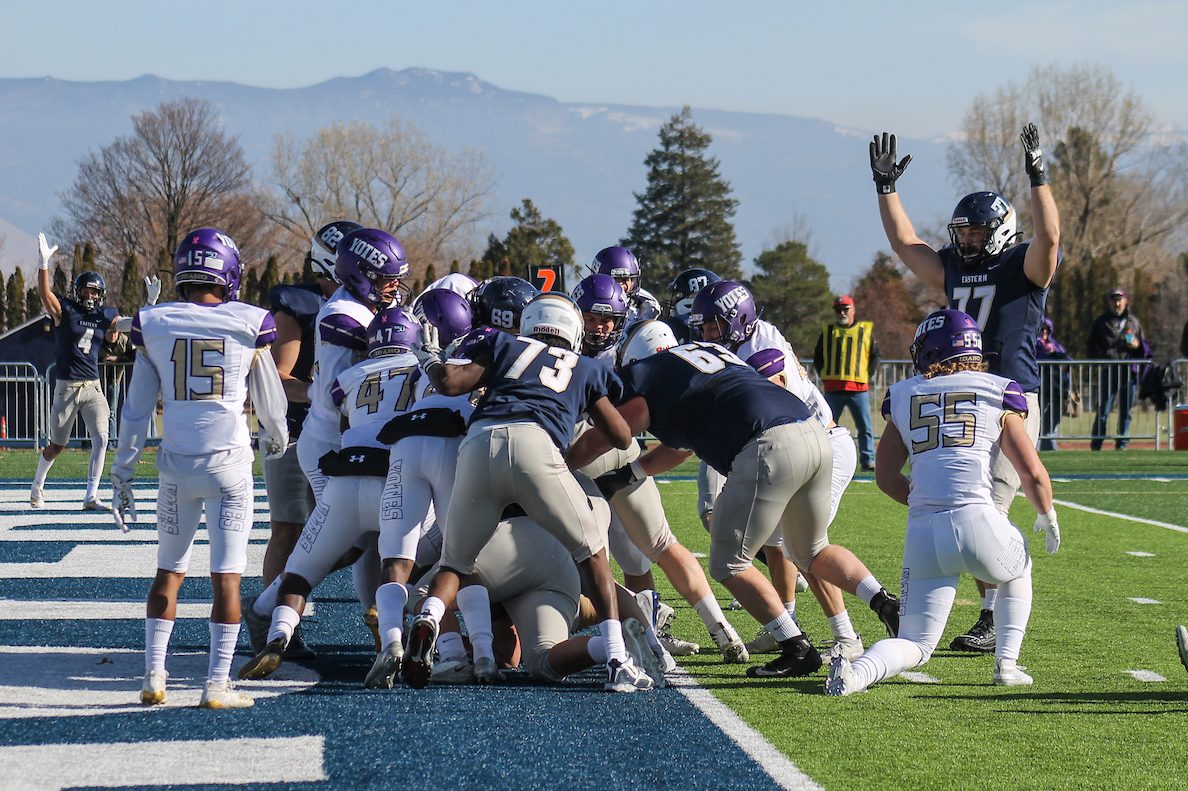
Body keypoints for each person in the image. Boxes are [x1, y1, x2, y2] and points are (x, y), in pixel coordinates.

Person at [568, 323, 901, 679]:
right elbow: (682, 449)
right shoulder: (707, 355)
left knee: (729, 562)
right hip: (814, 434)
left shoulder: (648, 374)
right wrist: (633, 472)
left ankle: (796, 648)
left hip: (768, 444)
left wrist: (560, 463)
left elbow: (615, 433)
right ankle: (883, 601)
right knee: (811, 550)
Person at [871, 123, 1060, 652]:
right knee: (962, 499)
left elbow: (1050, 239)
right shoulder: (954, 264)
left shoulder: (1022, 266)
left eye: (977, 232)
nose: (968, 240)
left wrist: (1038, 175)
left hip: (1008, 397)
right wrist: (887, 190)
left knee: (988, 505)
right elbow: (907, 245)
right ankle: (984, 606)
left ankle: (991, 614)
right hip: (958, 394)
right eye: (965, 232)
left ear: (999, 230)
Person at [403, 292, 651, 693]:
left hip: (480, 444)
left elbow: (449, 382)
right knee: (591, 553)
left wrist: (430, 356)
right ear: (572, 330)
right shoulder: (584, 366)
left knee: (454, 563)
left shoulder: (503, 344)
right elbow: (622, 436)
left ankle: (431, 616)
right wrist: (580, 405)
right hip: (538, 448)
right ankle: (616, 655)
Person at [825, 309, 1059, 696]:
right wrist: (1046, 514)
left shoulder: (902, 393)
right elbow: (1031, 471)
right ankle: (1007, 663)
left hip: (924, 534)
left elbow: (885, 478)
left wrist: (925, 502)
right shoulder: (998, 388)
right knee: (1017, 570)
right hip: (979, 520)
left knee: (916, 644)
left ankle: (856, 674)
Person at [110, 227, 289, 709]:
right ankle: (216, 684)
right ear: (227, 273)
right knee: (227, 578)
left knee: (168, 572)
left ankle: (153, 677)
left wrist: (121, 471)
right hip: (229, 466)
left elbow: (136, 408)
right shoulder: (248, 321)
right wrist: (279, 436)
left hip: (175, 468)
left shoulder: (155, 321)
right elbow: (270, 400)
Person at [239, 306, 423, 682]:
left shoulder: (350, 375)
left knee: (307, 568)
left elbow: (346, 424)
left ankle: (277, 634)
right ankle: (395, 638)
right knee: (407, 559)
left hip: (345, 474)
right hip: (393, 478)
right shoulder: (421, 370)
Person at [256, 220, 358, 662]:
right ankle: (273, 620)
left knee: (350, 536)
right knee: (290, 528)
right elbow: (278, 379)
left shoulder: (358, 303)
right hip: (296, 433)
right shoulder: (299, 304)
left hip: (345, 436)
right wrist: (326, 395)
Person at [29, 233, 151, 511]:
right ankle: (37, 485)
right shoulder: (67, 310)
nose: (90, 295)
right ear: (77, 291)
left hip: (93, 386)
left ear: (101, 295)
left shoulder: (104, 315)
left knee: (102, 438)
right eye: (86, 290)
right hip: (67, 387)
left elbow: (130, 325)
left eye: (95, 292)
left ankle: (91, 496)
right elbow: (45, 295)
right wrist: (43, 265)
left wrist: (150, 307)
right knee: (57, 445)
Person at [813, 294, 879, 471]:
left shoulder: (865, 330)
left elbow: (875, 355)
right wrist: (824, 374)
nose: (842, 313)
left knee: (865, 427)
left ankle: (868, 460)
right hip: (833, 389)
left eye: (845, 309)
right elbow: (818, 357)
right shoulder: (827, 331)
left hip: (858, 389)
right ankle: (825, 460)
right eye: (838, 310)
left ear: (853, 310)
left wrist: (868, 374)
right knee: (826, 427)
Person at [1088, 288, 1147, 451]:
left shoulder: (1133, 322)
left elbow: (1144, 347)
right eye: (1114, 300)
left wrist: (1136, 345)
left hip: (1129, 371)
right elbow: (1091, 345)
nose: (1117, 303)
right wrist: (1100, 359)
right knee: (1103, 410)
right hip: (1109, 370)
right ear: (1109, 302)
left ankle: (1122, 444)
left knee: (1125, 411)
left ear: (1125, 301)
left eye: (1120, 300)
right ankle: (1097, 443)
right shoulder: (1101, 322)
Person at [590, 246, 662, 327]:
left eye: (625, 279)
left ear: (633, 280)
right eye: (614, 280)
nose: (620, 285)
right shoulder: (586, 301)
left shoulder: (648, 306)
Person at [1036, 317, 1073, 451]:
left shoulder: (1056, 345)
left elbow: (1068, 360)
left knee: (1053, 421)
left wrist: (1055, 354)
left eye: (1046, 330)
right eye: (1041, 330)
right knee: (1038, 420)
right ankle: (1038, 448)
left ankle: (1050, 447)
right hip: (1041, 388)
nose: (1043, 333)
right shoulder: (1033, 345)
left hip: (1058, 388)